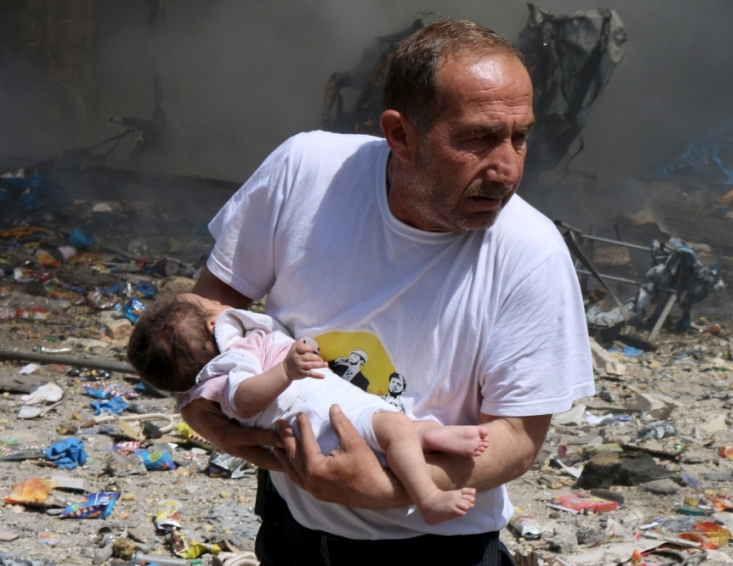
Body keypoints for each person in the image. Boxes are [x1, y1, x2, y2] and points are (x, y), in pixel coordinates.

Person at [181, 18, 594, 566]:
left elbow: (517, 437)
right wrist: (206, 415)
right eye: (477, 138)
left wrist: (391, 488)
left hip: (437, 549)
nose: (507, 168)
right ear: (400, 134)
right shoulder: (306, 172)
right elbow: (210, 311)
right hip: (291, 528)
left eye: (519, 137)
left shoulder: (530, 252)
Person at [127, 292, 489, 525]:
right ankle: (428, 497)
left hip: (341, 413)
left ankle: (436, 435)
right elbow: (243, 399)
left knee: (405, 428)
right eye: (211, 303)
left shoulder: (219, 370)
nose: (220, 301)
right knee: (396, 430)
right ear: (213, 324)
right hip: (328, 426)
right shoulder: (232, 364)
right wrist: (285, 370)